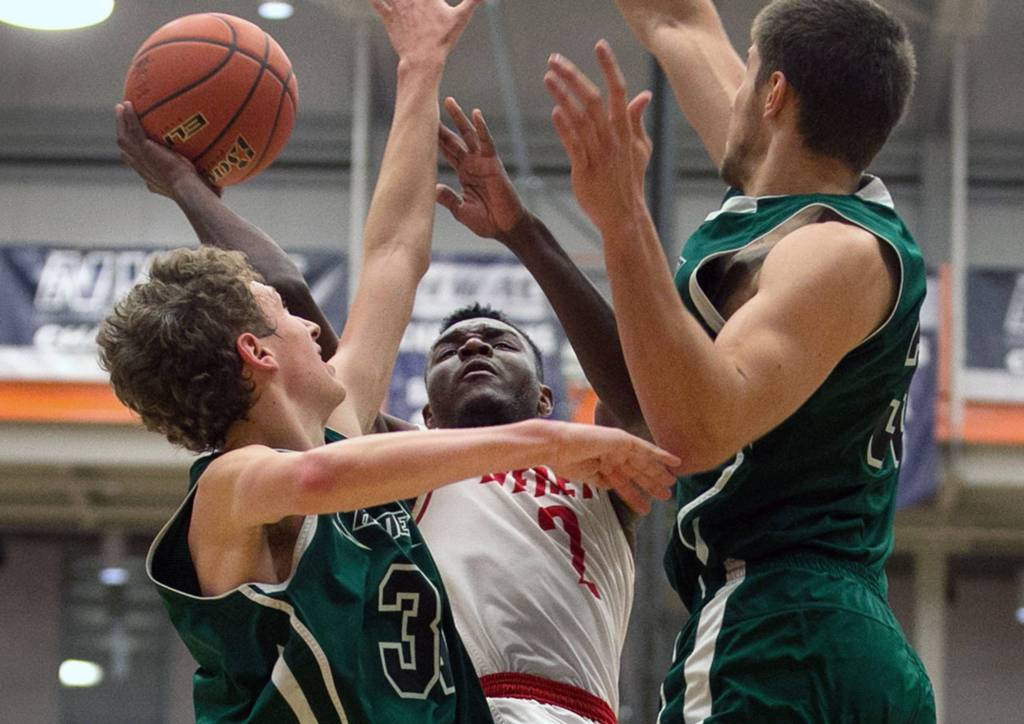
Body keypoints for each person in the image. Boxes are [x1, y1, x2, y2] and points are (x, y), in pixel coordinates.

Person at [100, 1, 679, 722]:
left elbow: (395, 253)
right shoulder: (234, 487)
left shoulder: (343, 427)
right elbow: (312, 474)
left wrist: (421, 65)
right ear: (255, 351)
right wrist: (555, 437)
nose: (317, 331)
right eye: (288, 321)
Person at [536, 0, 936, 721]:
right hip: (837, 635)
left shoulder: (833, 250)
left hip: (779, 633)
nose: (735, 86)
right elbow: (679, 21)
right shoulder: (785, 195)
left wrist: (623, 218)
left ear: (775, 95)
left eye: (748, 72)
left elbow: (695, 429)